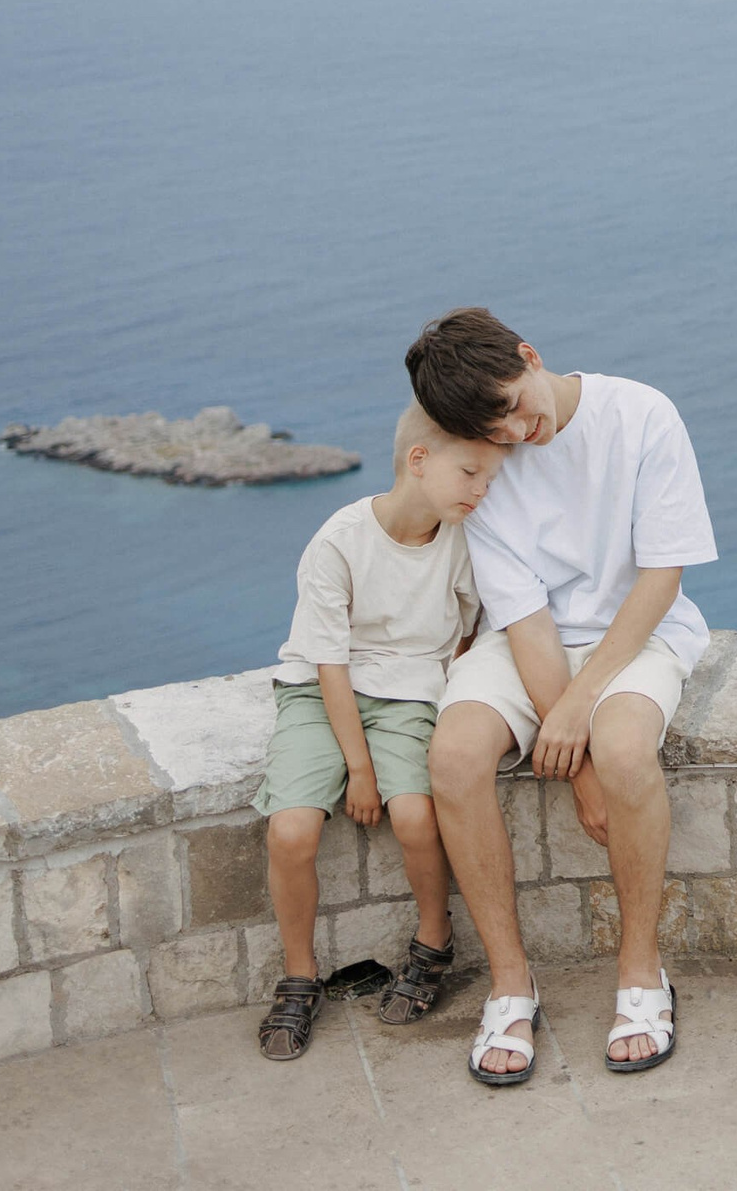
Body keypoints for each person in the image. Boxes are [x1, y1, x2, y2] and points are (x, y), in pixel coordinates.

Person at [410, 307, 716, 1086]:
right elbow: (526, 621)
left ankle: (642, 971)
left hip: (638, 630)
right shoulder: (489, 461)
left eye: (514, 404)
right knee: (452, 756)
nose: (515, 432)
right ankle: (512, 984)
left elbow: (661, 577)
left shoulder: (641, 413)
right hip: (527, 646)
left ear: (530, 354)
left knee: (622, 748)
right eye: (493, 428)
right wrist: (573, 767)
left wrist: (581, 710)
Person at [251, 406, 499, 1060]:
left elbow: (471, 625)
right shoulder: (339, 540)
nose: (481, 490)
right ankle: (300, 976)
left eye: (489, 477)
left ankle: (434, 940)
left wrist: (452, 688)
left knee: (417, 817)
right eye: (470, 472)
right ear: (418, 460)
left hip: (410, 693)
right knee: (291, 829)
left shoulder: (463, 538)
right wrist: (359, 770)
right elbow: (329, 664)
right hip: (320, 688)